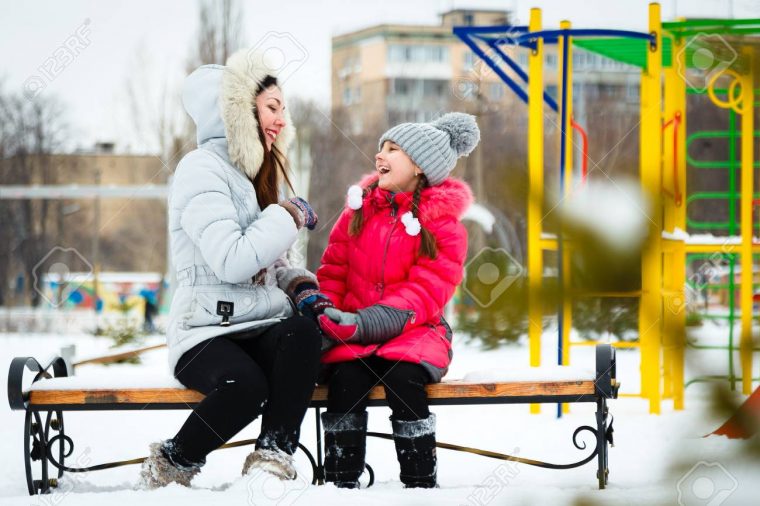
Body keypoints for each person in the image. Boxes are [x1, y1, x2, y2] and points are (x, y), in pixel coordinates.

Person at [139, 48, 330, 489]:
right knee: (245, 386)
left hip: (258, 322)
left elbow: (270, 260)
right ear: (239, 113)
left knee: (302, 332)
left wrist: (298, 284)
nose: (282, 119)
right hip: (205, 331)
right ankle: (170, 465)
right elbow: (232, 259)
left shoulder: (256, 175)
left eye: (284, 108)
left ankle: (272, 460)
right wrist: (288, 216)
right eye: (271, 107)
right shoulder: (200, 169)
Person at [316, 112, 480, 489]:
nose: (380, 155)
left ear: (420, 166)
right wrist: (327, 309)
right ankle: (340, 482)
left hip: (415, 332)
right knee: (345, 379)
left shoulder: (442, 225)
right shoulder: (358, 212)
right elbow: (334, 268)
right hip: (354, 331)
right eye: (380, 148)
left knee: (404, 378)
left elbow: (428, 287)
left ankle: (420, 481)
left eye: (393, 149)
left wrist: (371, 321)